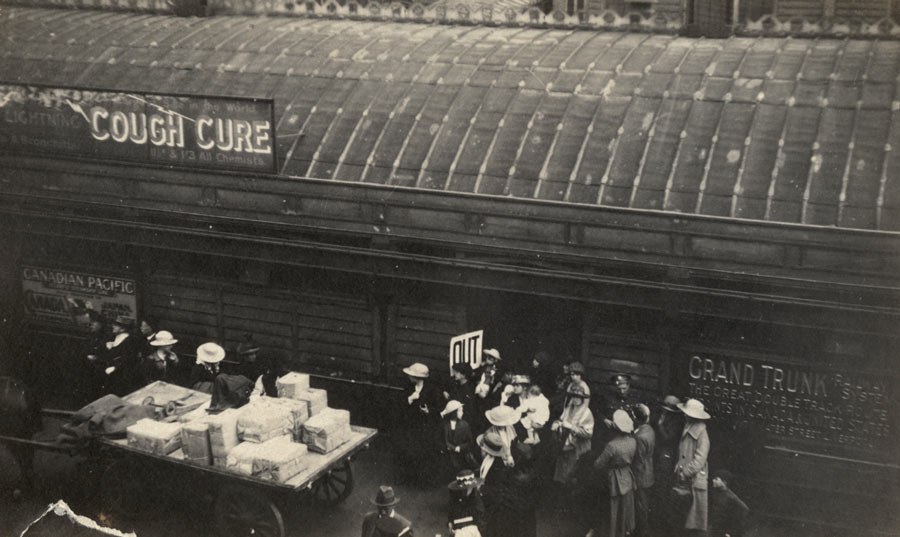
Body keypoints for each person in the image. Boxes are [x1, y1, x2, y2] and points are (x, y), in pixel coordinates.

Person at [591, 409, 637, 537]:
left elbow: (598, 464)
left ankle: (610, 532)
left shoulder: (612, 445)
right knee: (624, 507)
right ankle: (623, 531)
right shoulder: (632, 441)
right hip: (627, 475)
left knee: (613, 508)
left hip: (614, 478)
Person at [397, 362, 442, 486]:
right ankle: (410, 478)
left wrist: (429, 411)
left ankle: (423, 480)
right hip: (412, 425)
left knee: (424, 454)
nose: (409, 377)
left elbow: (439, 409)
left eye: (411, 375)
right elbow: (400, 406)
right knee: (410, 451)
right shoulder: (408, 388)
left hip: (426, 426)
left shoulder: (432, 390)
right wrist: (409, 399)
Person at [675, 398, 712, 536]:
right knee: (684, 517)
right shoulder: (688, 426)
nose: (684, 415)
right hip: (685, 478)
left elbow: (699, 460)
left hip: (694, 479)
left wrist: (686, 472)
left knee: (695, 523)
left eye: (687, 413)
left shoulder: (702, 434)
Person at [551, 379, 594, 485]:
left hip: (578, 448)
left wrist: (571, 427)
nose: (575, 399)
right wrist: (557, 423)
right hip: (564, 444)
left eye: (578, 397)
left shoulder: (586, 413)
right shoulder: (569, 408)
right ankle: (559, 489)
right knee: (561, 472)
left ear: (583, 399)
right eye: (573, 396)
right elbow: (561, 419)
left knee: (573, 474)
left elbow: (588, 434)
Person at [653, 395, 685, 535]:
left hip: (666, 456)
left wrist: (660, 425)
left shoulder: (676, 422)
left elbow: (667, 438)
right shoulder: (666, 417)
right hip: (659, 454)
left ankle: (661, 523)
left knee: (662, 486)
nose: (664, 411)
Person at [101, 315, 142, 396]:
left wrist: (115, 367)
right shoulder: (115, 337)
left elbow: (129, 359)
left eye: (116, 325)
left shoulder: (130, 341)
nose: (113, 326)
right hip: (111, 375)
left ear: (123, 329)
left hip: (122, 376)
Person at [632, 404, 656, 537]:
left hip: (641, 476)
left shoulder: (639, 436)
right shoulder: (650, 430)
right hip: (649, 471)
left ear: (636, 418)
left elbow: (639, 461)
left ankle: (641, 531)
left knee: (640, 505)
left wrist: (635, 480)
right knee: (644, 503)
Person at [709, 469, 750, 537]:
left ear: (724, 482)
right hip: (715, 529)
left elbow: (744, 509)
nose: (713, 480)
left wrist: (731, 531)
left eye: (716, 479)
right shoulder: (715, 493)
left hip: (724, 531)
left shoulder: (731, 496)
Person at [441, 400, 478, 475]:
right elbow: (445, 441)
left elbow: (470, 442)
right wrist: (453, 448)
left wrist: (460, 447)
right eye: (460, 411)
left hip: (463, 456)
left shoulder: (464, 424)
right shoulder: (445, 425)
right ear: (454, 412)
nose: (462, 413)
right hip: (449, 457)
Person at [447, 469, 485, 537]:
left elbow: (480, 517)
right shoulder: (455, 500)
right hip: (458, 530)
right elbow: (451, 517)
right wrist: (451, 525)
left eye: (469, 488)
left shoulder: (476, 499)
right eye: (463, 489)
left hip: (474, 529)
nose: (466, 490)